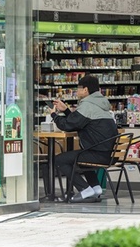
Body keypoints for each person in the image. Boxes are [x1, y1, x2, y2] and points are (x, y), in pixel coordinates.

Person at [50, 75, 118, 203]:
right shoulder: (100, 104)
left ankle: (85, 189)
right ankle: (96, 188)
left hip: (98, 154)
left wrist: (54, 115)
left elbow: (68, 125)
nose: (77, 91)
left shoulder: (87, 105)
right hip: (108, 154)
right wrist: (66, 111)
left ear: (85, 90)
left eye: (78, 88)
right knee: (81, 155)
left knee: (60, 160)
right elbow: (79, 122)